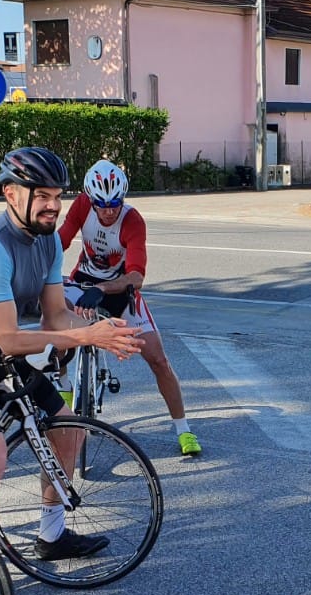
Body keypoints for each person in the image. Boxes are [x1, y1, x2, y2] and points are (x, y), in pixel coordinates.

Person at [0, 146, 141, 595]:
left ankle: (51, 534)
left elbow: (57, 317)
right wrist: (86, 337)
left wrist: (94, 333)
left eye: (57, 196)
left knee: (68, 429)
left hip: (0, 351)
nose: (52, 206)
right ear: (10, 194)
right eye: (41, 196)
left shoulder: (49, 241)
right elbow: (5, 336)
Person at [57, 159, 202, 456]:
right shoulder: (83, 205)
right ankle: (62, 380)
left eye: (115, 204)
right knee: (55, 315)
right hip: (84, 281)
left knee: (159, 360)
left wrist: (102, 289)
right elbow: (60, 240)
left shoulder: (132, 220)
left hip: (121, 288)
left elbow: (137, 276)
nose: (108, 211)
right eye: (102, 204)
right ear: (91, 199)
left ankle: (183, 429)